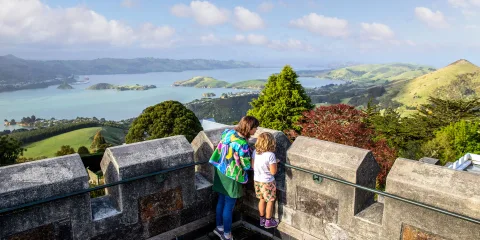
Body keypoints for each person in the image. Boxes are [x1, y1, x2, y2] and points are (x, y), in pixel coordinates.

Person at [209, 116, 259, 240]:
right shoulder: (242, 145)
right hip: (233, 175)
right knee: (229, 206)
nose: (256, 130)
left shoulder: (228, 133)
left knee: (221, 200)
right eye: (255, 128)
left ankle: (219, 228)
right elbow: (247, 165)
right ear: (249, 128)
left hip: (221, 171)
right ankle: (227, 234)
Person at [252, 132, 279, 228]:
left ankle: (262, 219)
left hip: (257, 180)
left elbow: (253, 166)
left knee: (262, 199)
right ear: (271, 142)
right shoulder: (270, 155)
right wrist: (276, 163)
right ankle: (268, 221)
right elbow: (273, 172)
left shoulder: (255, 152)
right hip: (267, 181)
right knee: (270, 200)